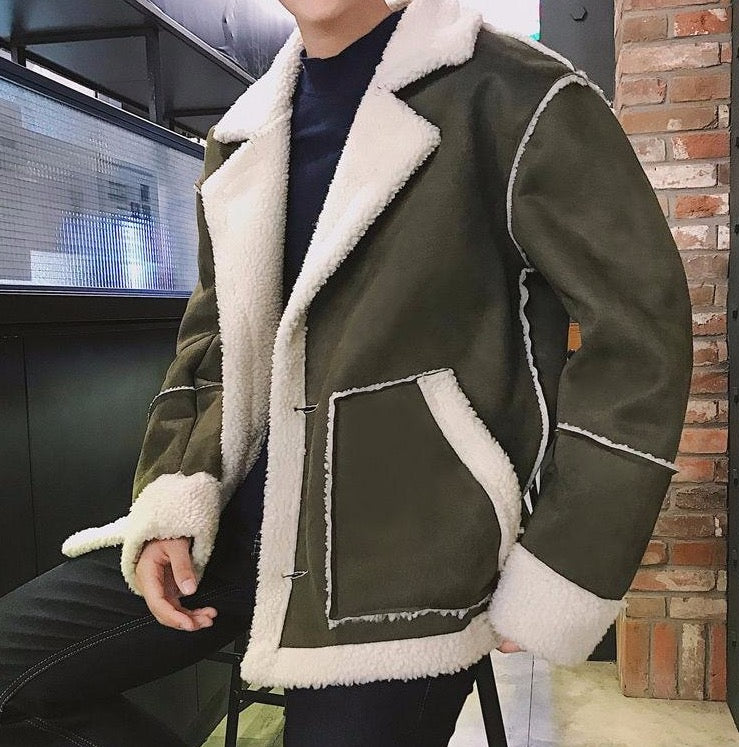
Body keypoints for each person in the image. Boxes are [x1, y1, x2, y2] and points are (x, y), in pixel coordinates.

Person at [0, 0, 693, 744]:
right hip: (231, 537)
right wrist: (173, 493)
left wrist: (560, 558)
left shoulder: (518, 95)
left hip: (407, 560)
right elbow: (210, 340)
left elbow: (641, 338)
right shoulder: (243, 132)